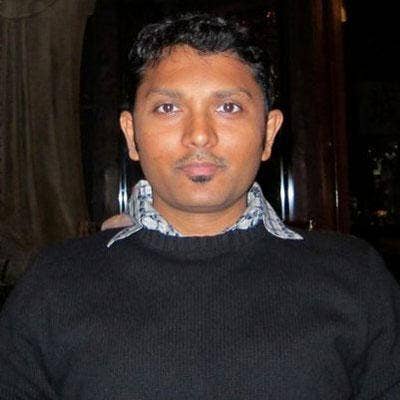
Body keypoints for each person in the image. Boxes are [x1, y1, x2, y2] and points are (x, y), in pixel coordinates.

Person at [0, 13, 399, 400]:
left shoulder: (356, 278)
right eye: (168, 108)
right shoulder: (55, 284)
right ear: (131, 134)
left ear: (268, 132)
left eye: (228, 107)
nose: (199, 135)